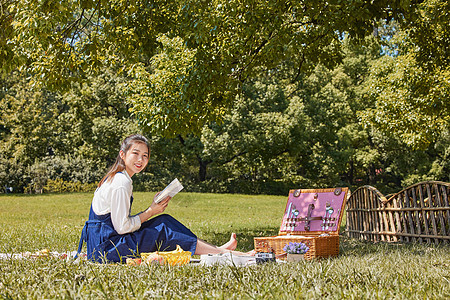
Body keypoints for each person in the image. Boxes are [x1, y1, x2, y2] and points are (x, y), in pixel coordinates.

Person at [77, 134, 253, 263]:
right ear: (123, 154)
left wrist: (153, 211)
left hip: (104, 245)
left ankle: (217, 250)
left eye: (145, 155)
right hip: (105, 251)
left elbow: (119, 225)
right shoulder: (121, 182)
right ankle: (219, 252)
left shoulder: (119, 177)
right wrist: (151, 211)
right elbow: (122, 227)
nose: (140, 159)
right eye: (135, 153)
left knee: (164, 222)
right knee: (164, 227)